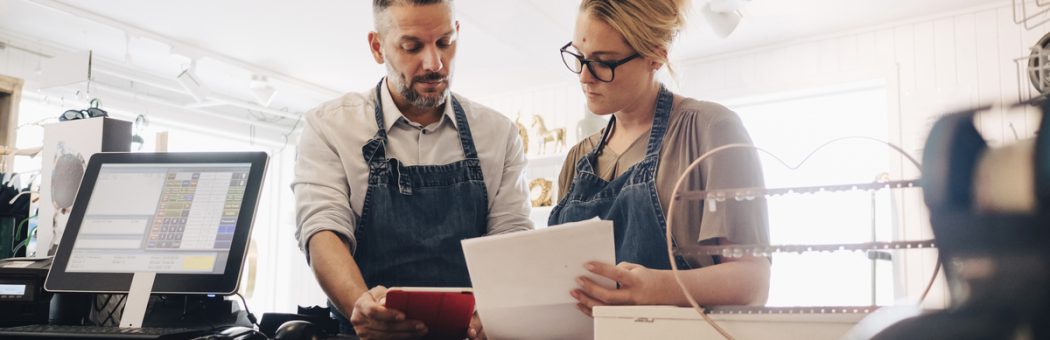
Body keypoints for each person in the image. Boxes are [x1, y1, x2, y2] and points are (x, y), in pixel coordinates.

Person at [291, 0, 532, 338]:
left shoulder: (499, 133)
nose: (434, 63)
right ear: (377, 47)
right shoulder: (329, 126)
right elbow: (323, 230)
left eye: (445, 43)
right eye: (412, 46)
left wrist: (494, 309)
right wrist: (362, 306)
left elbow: (511, 237)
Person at [550, 0, 771, 317]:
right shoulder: (577, 157)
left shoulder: (709, 130)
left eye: (604, 62)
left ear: (656, 56)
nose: (585, 77)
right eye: (579, 57)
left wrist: (656, 289)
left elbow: (753, 282)